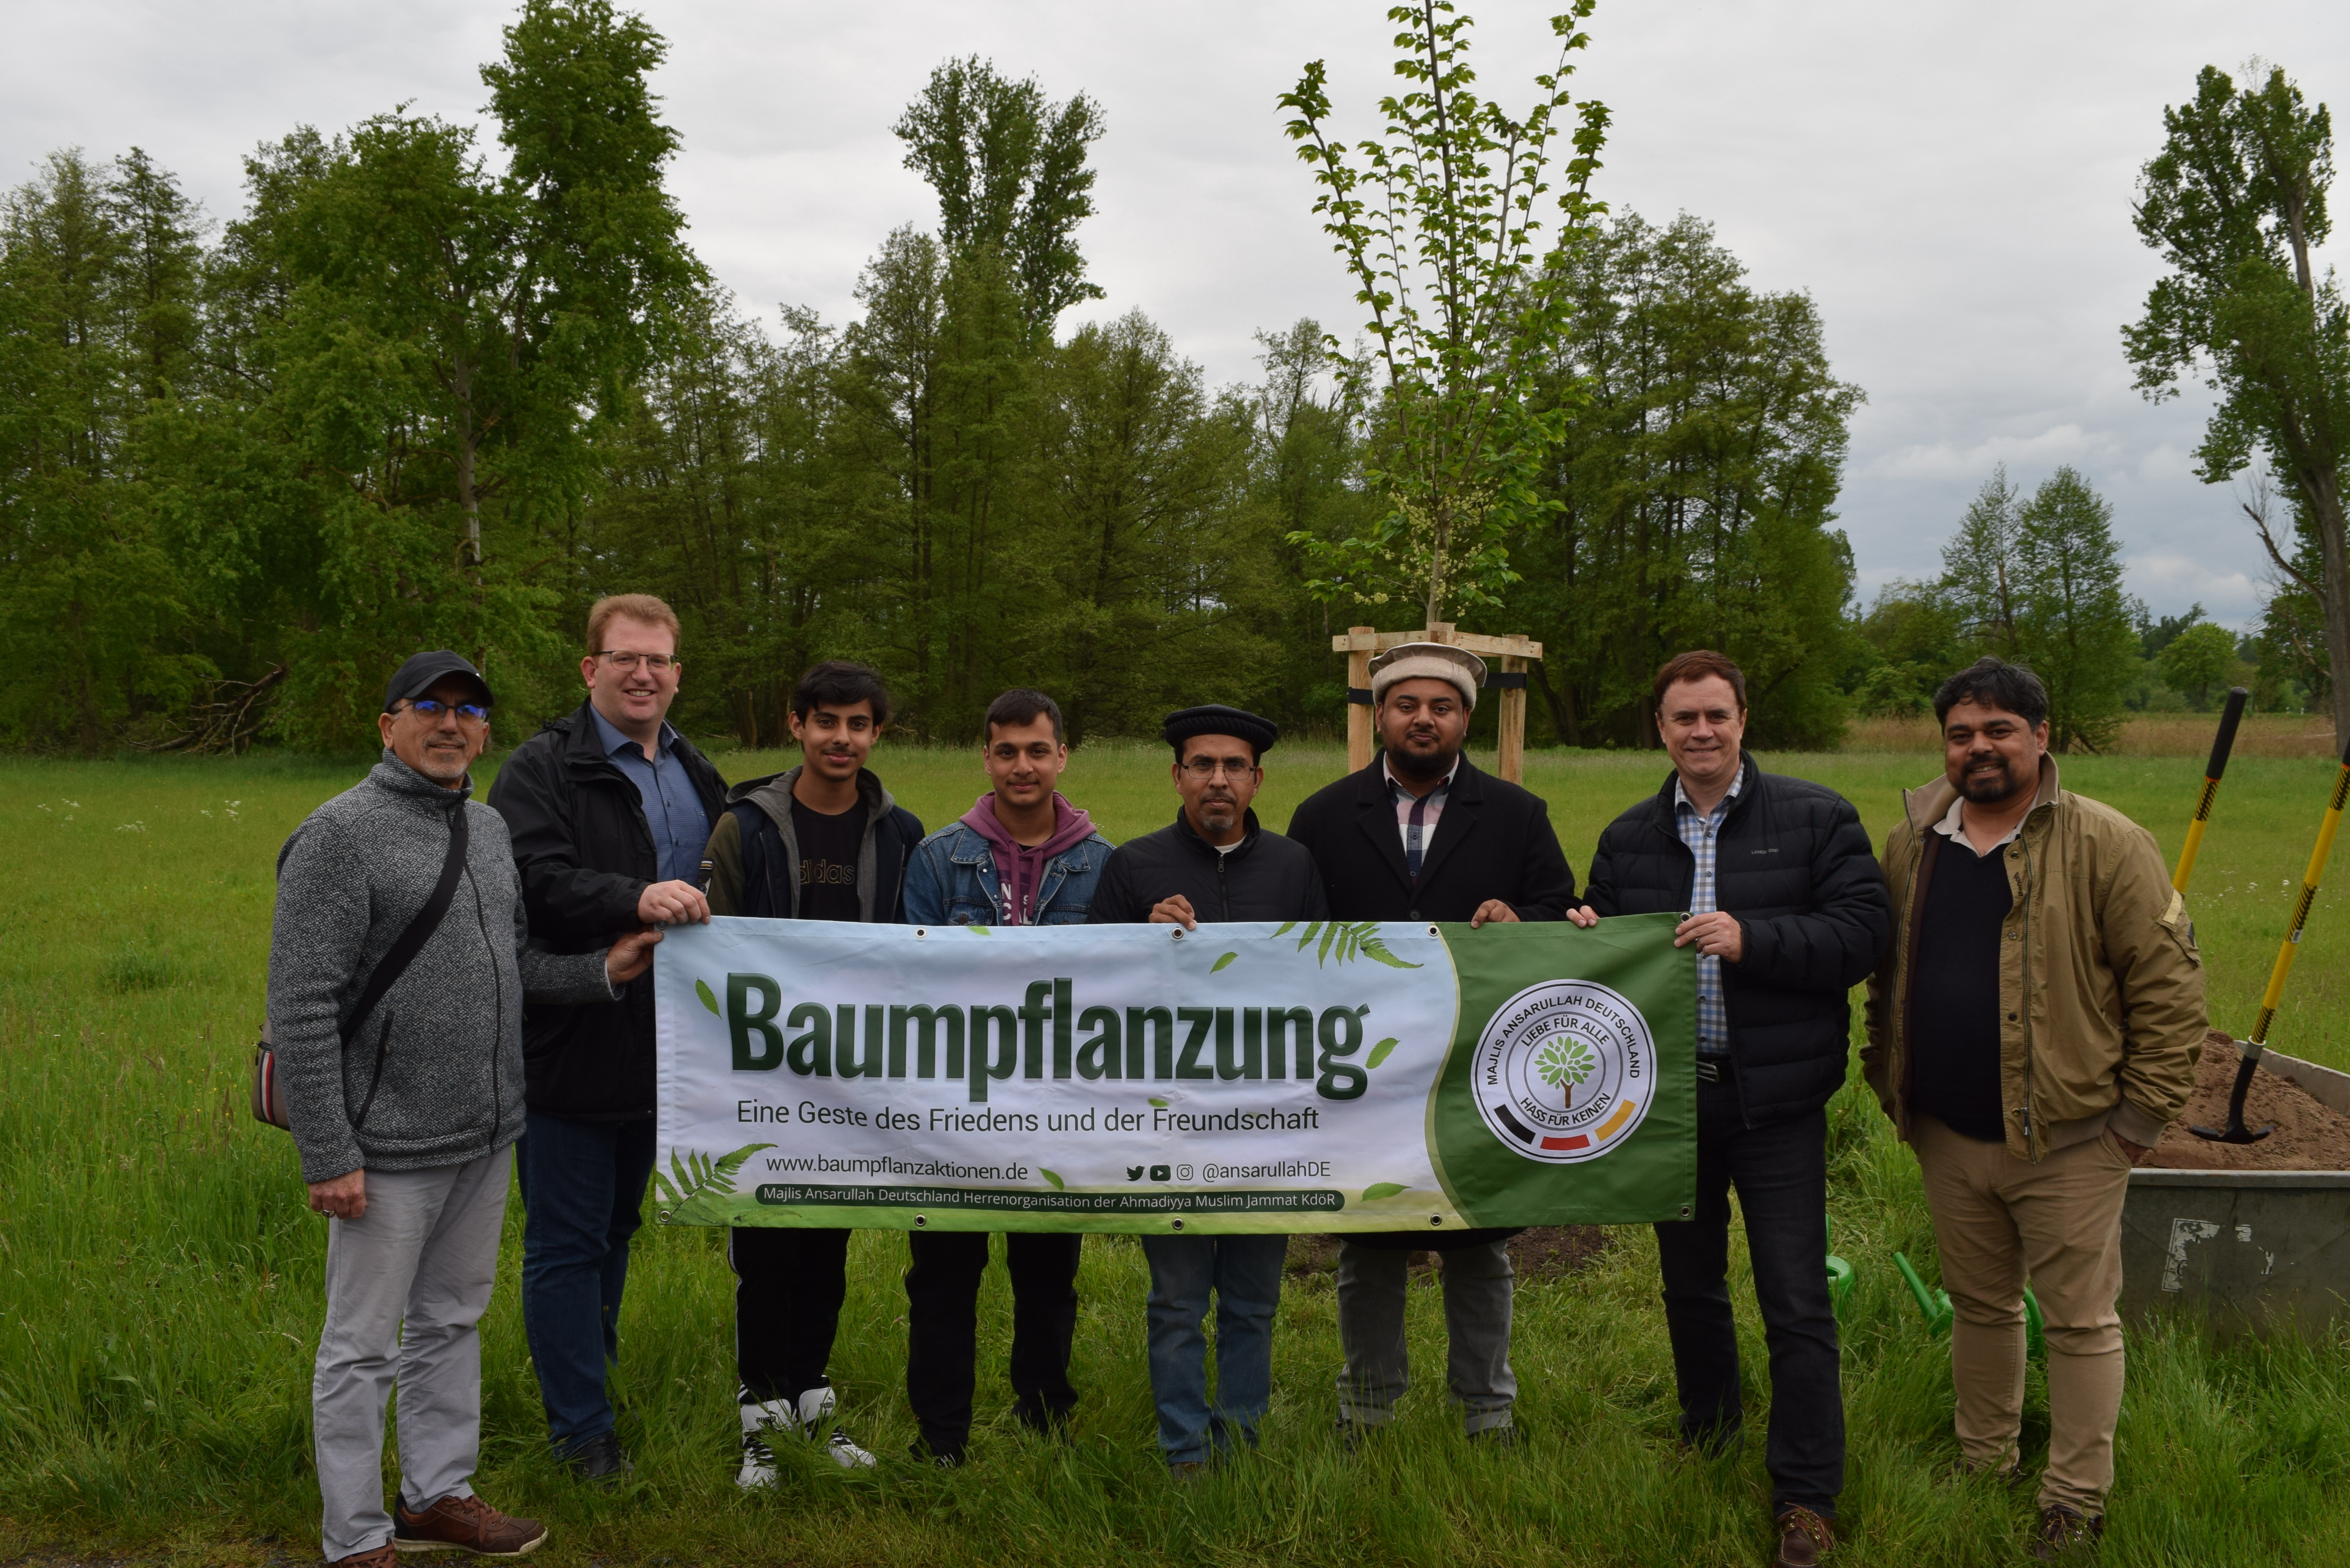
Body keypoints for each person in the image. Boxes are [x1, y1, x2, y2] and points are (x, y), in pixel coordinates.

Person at [269, 651, 660, 1567]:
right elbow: (303, 1004)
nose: (451, 725)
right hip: (385, 1144)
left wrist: (600, 974)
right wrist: (329, 1151)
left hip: (489, 1132)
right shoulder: (338, 835)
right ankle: (355, 1536)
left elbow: (513, 967)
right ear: (388, 725)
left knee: (451, 1320)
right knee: (362, 1347)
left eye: (469, 711)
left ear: (485, 730)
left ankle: (436, 1494)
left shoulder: (486, 830)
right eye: (429, 708)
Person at [1862, 657, 2203, 1559]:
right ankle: (1986, 1461)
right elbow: (1887, 978)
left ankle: (2076, 1499)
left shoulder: (2106, 842)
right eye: (1962, 734)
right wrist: (1884, 1077)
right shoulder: (1914, 840)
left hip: (2070, 1140)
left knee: (2081, 1322)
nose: (1979, 749)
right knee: (1980, 1307)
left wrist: (2138, 1122)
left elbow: (2170, 991)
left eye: (1999, 731)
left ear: (2041, 737)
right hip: (1946, 1132)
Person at [1571, 649, 1889, 1568]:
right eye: (1683, 718)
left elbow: (1862, 934)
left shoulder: (1817, 817)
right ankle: (1707, 1433)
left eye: (1716, 715)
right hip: (1669, 1105)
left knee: (1794, 1300)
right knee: (1690, 1285)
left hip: (1779, 1104)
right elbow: (1602, 946)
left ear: (1743, 719)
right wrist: (1589, 933)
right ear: (1660, 730)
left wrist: (1755, 939)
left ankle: (1806, 1496)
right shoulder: (1632, 837)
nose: (1701, 732)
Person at [1285, 641, 1577, 1449]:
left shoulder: (1518, 815)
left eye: (1441, 706)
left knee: (1481, 1244)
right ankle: (1366, 1410)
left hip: (1476, 1064)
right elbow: (1291, 932)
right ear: (1379, 714)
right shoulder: (1323, 815)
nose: (1424, 718)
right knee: (1369, 1241)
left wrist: (1525, 922)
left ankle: (1488, 1413)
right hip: (1362, 1069)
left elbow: (1561, 907)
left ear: (1466, 719)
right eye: (1407, 704)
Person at [488, 594, 728, 1481]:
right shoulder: (541, 767)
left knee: (619, 1228)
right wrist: (634, 897)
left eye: (658, 661)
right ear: (591, 669)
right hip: (573, 1032)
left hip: (667, 1043)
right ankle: (581, 1434)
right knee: (565, 1241)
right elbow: (534, 881)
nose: (642, 674)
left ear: (677, 673)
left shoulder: (699, 770)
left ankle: (595, 1383)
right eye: (624, 658)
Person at [701, 659, 925, 1485]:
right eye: (826, 721)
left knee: (827, 1245)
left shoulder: (902, 835)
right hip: (761, 1083)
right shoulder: (746, 829)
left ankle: (813, 1408)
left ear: (877, 733)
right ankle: (757, 1422)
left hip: (854, 1085)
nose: (842, 738)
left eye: (859, 724)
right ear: (796, 726)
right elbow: (708, 955)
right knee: (765, 1253)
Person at [1089, 705, 1327, 1477]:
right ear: (1177, 775)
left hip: (1269, 1123)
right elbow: (1092, 986)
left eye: (1233, 766)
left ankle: (1245, 1440)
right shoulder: (1134, 865)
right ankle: (1184, 1451)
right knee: (1177, 1305)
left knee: (1255, 1302)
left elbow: (1330, 982)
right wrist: (1142, 939)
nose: (1217, 779)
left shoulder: (1294, 866)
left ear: (1257, 779)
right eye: (1202, 765)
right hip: (1172, 1124)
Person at [898, 688, 1113, 1465]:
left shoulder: (1104, 864)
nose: (1023, 765)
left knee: (1048, 1274)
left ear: (1062, 756)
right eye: (1007, 751)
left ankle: (1045, 1412)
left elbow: (1119, 995)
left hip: (1059, 1107)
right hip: (955, 1107)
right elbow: (908, 986)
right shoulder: (937, 858)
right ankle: (942, 1434)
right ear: (986, 757)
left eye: (1038, 750)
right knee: (943, 1277)